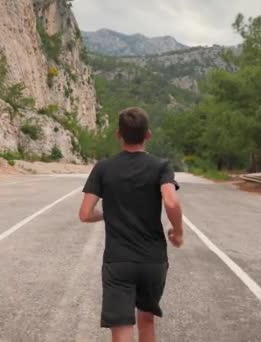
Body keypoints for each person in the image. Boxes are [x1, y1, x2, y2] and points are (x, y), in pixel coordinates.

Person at [78, 107, 184, 342]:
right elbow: (171, 201)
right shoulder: (161, 166)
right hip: (153, 259)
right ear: (148, 135)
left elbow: (85, 214)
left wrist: (108, 214)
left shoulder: (103, 168)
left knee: (122, 326)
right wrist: (178, 233)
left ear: (118, 135)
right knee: (146, 320)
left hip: (118, 260)